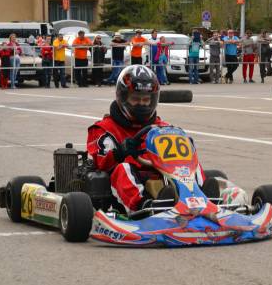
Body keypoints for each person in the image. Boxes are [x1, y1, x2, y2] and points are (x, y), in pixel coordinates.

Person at [87, 65, 205, 213]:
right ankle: (145, 206)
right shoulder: (104, 128)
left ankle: (203, 197)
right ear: (122, 97)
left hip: (164, 176)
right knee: (123, 169)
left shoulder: (162, 128)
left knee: (190, 162)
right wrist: (120, 152)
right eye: (136, 99)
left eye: (146, 100)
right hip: (122, 186)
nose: (141, 104)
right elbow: (100, 164)